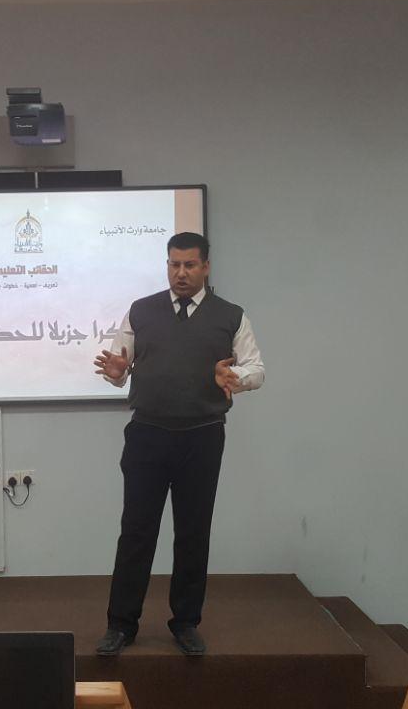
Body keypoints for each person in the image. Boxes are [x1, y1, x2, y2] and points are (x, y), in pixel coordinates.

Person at [92, 231, 265, 656]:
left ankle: (186, 623)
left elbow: (256, 369)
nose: (180, 273)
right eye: (174, 264)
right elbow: (120, 366)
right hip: (147, 435)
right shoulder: (141, 311)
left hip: (202, 437)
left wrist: (236, 377)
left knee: (193, 532)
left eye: (189, 265)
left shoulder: (231, 316)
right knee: (136, 531)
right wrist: (117, 371)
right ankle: (121, 625)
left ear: (205, 266)